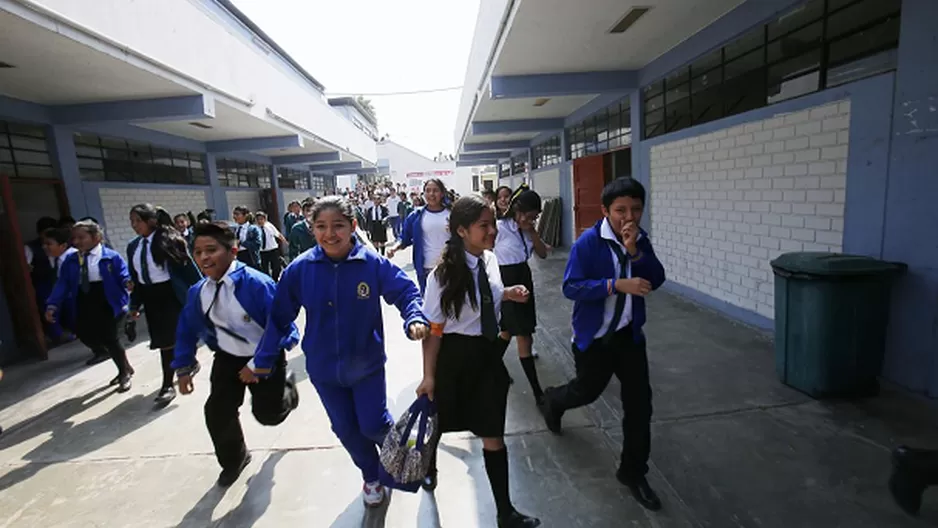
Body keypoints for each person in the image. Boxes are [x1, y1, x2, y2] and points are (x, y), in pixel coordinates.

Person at [257, 195, 428, 508]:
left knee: (373, 424)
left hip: (367, 365)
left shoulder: (371, 262)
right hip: (323, 370)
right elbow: (279, 316)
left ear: (353, 225)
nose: (330, 233)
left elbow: (405, 290)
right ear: (312, 230)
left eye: (338, 225)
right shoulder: (300, 269)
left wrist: (413, 316)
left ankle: (407, 457)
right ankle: (372, 475)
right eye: (321, 226)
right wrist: (264, 359)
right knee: (346, 429)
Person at [538, 178, 666, 511]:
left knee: (640, 406)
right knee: (587, 391)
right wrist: (615, 284)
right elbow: (571, 287)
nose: (629, 217)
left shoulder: (640, 240)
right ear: (606, 210)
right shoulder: (587, 244)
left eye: (636, 209)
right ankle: (553, 400)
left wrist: (636, 252)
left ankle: (633, 472)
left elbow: (657, 277)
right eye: (621, 210)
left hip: (629, 338)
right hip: (594, 339)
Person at [417, 196, 540, 528]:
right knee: (439, 424)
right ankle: (429, 465)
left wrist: (508, 293)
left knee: (493, 433)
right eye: (484, 226)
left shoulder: (489, 260)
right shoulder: (442, 276)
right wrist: (429, 376)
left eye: (493, 223)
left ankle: (505, 513)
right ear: (461, 230)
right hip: (452, 359)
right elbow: (434, 331)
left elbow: (488, 294)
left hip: (486, 359)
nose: (493, 231)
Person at [172, 221, 300, 488]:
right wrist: (183, 367)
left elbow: (280, 327)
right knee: (217, 411)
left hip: (265, 354)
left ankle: (288, 389)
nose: (204, 257)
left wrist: (258, 365)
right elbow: (186, 329)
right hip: (228, 358)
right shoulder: (199, 292)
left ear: (232, 250)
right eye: (198, 252)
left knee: (268, 415)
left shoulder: (257, 284)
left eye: (211, 250)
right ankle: (235, 459)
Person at [127, 203, 203, 406]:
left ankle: (167, 384)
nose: (134, 225)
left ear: (151, 220)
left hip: (171, 294)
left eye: (138, 221)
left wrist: (202, 294)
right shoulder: (133, 247)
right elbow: (136, 279)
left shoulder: (170, 241)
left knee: (170, 341)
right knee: (164, 340)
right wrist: (134, 306)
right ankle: (189, 363)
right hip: (150, 297)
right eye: (132, 222)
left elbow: (190, 271)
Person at [45, 220, 133, 392]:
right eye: (74, 238)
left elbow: (123, 273)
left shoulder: (110, 257)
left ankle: (124, 372)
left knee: (110, 337)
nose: (76, 242)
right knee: (85, 332)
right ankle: (124, 365)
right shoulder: (71, 260)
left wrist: (127, 283)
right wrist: (52, 305)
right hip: (85, 299)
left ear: (96, 237)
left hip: (107, 299)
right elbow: (62, 284)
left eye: (81, 237)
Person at [494, 185, 549, 403]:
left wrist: (533, 231)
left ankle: (488, 366)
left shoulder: (529, 230)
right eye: (528, 215)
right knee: (522, 334)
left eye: (535, 217)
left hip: (524, 277)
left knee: (509, 331)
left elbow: (543, 254)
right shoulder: (499, 228)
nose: (531, 219)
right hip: (505, 280)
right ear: (517, 209)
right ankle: (537, 393)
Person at [388, 179, 452, 294]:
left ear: (442, 193)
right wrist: (394, 248)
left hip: (450, 268)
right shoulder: (416, 215)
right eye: (428, 191)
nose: (431, 194)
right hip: (426, 269)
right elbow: (404, 237)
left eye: (435, 191)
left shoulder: (452, 213)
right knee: (429, 307)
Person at [40, 228, 78, 344]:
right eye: (44, 244)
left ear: (63, 246)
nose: (45, 247)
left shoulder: (73, 257)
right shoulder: (56, 259)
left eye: (49, 244)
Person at [255, 212, 286, 280]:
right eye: (258, 219)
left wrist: (285, 242)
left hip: (273, 249)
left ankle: (275, 279)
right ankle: (268, 280)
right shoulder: (255, 229)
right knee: (264, 268)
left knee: (276, 267)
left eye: (261, 219)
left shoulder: (269, 226)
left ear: (265, 219)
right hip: (262, 251)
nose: (260, 221)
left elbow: (278, 234)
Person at [232, 206, 262, 270]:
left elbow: (257, 244)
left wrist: (242, 242)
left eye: (237, 214)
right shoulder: (235, 229)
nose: (234, 217)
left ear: (245, 215)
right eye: (234, 214)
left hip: (250, 257)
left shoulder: (253, 229)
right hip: (238, 257)